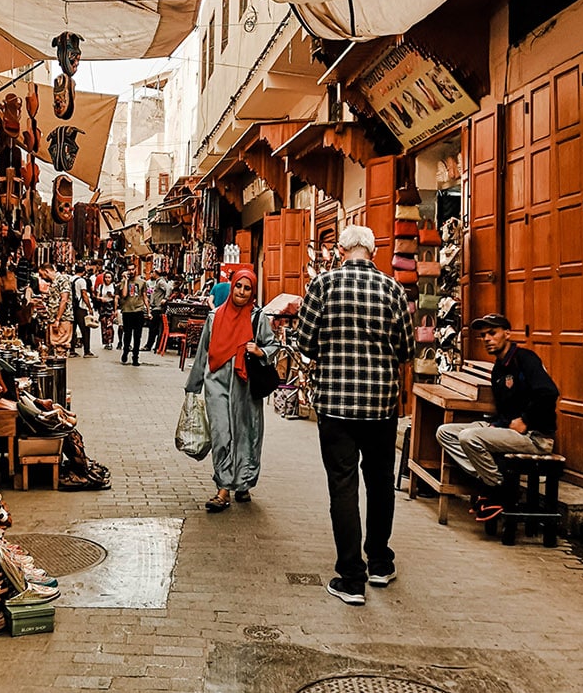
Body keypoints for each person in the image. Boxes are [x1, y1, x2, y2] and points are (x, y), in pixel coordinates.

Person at [295, 225, 416, 606]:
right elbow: (407, 349)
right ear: (373, 252)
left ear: (341, 250)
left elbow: (305, 342)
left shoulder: (323, 286)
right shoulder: (393, 289)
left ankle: (351, 578)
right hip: (380, 405)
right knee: (380, 483)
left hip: (336, 405)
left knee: (343, 486)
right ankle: (379, 561)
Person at [436, 314, 558, 520]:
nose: (487, 339)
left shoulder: (525, 359)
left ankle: (497, 490)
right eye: (483, 335)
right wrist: (495, 425)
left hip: (534, 437)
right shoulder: (499, 369)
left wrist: (526, 420)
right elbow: (504, 410)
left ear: (507, 334)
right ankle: (495, 480)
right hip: (507, 430)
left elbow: (548, 392)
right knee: (445, 432)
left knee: (469, 437)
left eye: (492, 333)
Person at [184, 267, 280, 512]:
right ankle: (223, 487)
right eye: (239, 286)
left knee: (247, 435)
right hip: (216, 383)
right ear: (232, 287)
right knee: (221, 434)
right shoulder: (215, 317)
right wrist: (193, 386)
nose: (242, 292)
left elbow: (273, 345)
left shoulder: (257, 318)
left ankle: (244, 481)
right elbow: (203, 352)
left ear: (252, 292)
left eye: (247, 288)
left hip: (246, 387)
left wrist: (260, 351)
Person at [119, 265, 150, 365]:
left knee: (137, 336)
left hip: (138, 311)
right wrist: (126, 281)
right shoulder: (123, 282)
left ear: (136, 270)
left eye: (133, 269)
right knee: (127, 334)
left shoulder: (142, 282)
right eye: (129, 270)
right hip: (127, 311)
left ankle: (135, 357)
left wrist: (149, 311)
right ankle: (125, 352)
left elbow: (145, 297)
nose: (131, 271)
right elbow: (124, 295)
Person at [42, 262, 74, 358]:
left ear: (47, 271)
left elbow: (64, 299)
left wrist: (57, 319)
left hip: (62, 319)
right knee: (54, 345)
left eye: (41, 274)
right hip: (55, 318)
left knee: (60, 345)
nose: (41, 277)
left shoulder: (62, 279)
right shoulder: (54, 282)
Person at [70, 263, 96, 358]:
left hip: (72, 307)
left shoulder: (70, 279)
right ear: (83, 271)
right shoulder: (82, 281)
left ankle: (72, 350)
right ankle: (87, 351)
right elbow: (84, 294)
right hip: (81, 307)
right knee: (85, 329)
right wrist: (89, 307)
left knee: (72, 330)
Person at [144, 271, 171, 351]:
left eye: (152, 273)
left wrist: (165, 298)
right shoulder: (158, 282)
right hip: (156, 307)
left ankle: (149, 345)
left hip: (158, 308)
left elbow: (169, 288)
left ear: (155, 274)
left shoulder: (161, 282)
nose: (150, 274)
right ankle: (154, 346)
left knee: (153, 327)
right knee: (154, 328)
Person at [95, 268, 117, 350]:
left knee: (109, 325)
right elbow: (97, 296)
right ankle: (105, 342)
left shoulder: (114, 286)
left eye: (109, 277)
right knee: (103, 324)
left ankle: (110, 342)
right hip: (103, 307)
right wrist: (100, 298)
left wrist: (112, 296)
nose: (107, 279)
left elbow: (116, 298)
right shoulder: (101, 286)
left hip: (110, 306)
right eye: (106, 277)